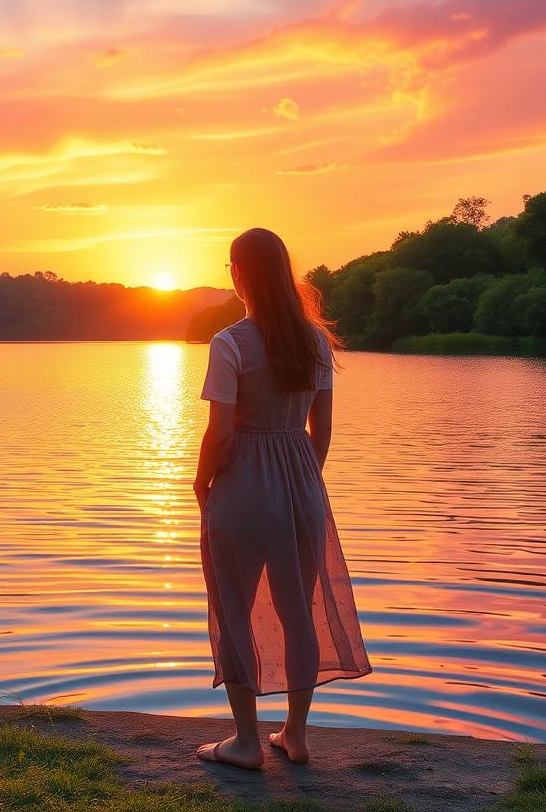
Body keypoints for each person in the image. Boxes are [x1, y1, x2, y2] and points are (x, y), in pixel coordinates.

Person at [194, 227, 371, 770]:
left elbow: (220, 432)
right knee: (300, 611)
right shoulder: (314, 342)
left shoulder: (230, 343)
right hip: (302, 482)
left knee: (235, 609)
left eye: (231, 266)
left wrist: (202, 483)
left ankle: (247, 742)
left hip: (243, 484)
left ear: (239, 273)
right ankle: (294, 735)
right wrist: (300, 483)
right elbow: (324, 431)